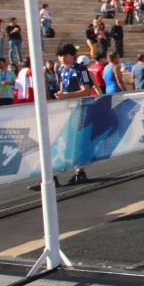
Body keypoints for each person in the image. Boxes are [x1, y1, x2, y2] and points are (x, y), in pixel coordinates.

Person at [55, 43, 94, 184]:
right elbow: (61, 87)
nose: (63, 58)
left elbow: (86, 90)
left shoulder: (80, 69)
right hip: (66, 109)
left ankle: (80, 171)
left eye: (65, 55)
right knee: (62, 140)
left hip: (79, 108)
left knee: (78, 140)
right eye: (60, 55)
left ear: (72, 55)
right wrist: (60, 95)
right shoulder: (60, 70)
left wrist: (66, 96)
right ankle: (55, 173)